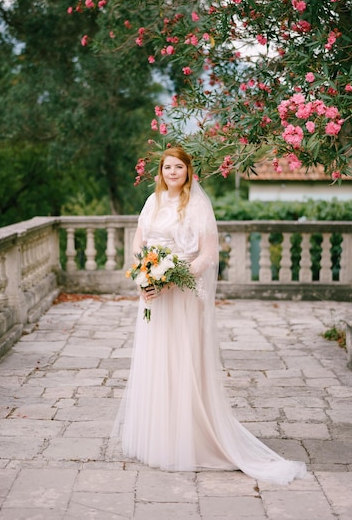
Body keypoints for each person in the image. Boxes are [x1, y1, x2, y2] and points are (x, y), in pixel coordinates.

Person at [112, 146, 307, 485]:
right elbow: (138, 241)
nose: (172, 172)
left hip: (183, 295)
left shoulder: (198, 205)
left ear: (188, 171)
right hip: (153, 296)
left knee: (181, 360)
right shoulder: (152, 202)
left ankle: (190, 437)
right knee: (156, 359)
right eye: (167, 167)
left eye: (178, 167)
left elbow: (208, 254)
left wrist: (173, 277)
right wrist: (144, 273)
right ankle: (160, 435)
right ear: (161, 172)